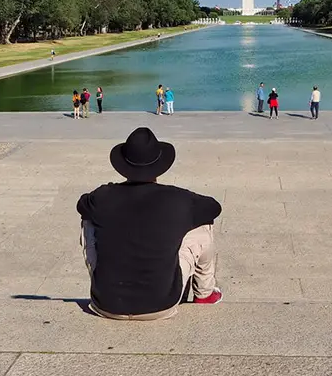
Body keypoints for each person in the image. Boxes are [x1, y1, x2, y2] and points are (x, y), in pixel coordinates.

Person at [77, 127, 223, 320]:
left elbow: (82, 204)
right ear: (160, 165)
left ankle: (106, 284)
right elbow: (213, 207)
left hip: (105, 303)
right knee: (202, 225)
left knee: (89, 220)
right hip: (161, 304)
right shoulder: (177, 199)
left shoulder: (102, 196)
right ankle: (204, 292)